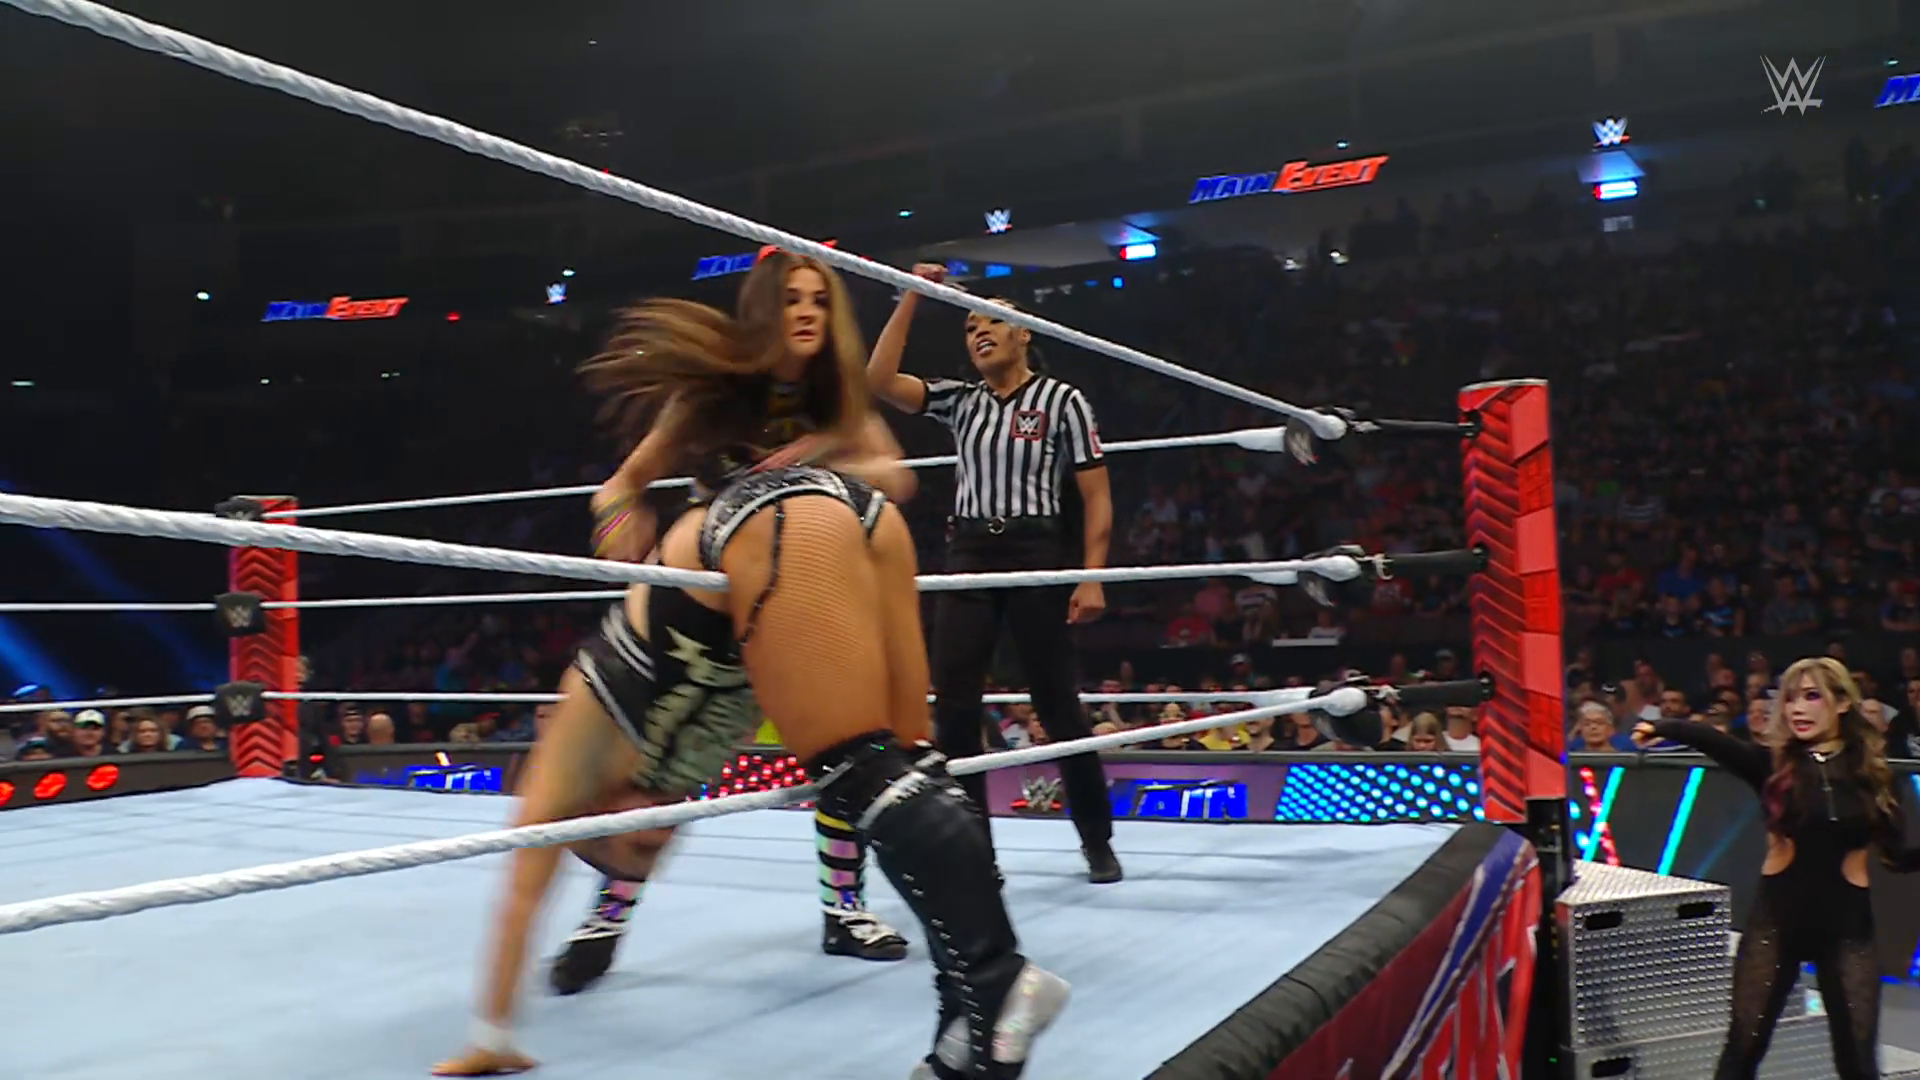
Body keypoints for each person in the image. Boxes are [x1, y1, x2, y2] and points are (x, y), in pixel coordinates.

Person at [435, 251, 1068, 1079]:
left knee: (893, 756)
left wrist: (813, 455)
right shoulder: (713, 392)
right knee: (868, 764)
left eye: (820, 300)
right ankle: (977, 1000)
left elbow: (894, 476)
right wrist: (624, 547)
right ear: (764, 311)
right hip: (722, 602)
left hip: (776, 585)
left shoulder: (837, 395)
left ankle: (968, 985)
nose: (808, 313)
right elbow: (620, 489)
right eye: (793, 299)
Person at [865, 262, 1121, 883]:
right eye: (969, 326)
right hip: (971, 553)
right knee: (954, 707)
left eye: (992, 323)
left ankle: (1096, 839)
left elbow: (1097, 496)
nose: (978, 332)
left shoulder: (1062, 401)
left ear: (1023, 333)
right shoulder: (961, 400)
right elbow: (878, 380)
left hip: (1036, 550)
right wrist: (912, 297)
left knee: (1057, 703)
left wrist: (1092, 575)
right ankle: (973, 850)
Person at [1632, 657, 1920, 1080]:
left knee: (1859, 1065)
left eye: (1811, 696)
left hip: (1848, 931)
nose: (1797, 709)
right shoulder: (1774, 766)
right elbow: (1715, 742)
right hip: (1776, 926)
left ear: (1843, 703)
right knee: (1741, 1052)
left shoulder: (1873, 776)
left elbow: (1895, 857)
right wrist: (1661, 726)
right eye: (1790, 699)